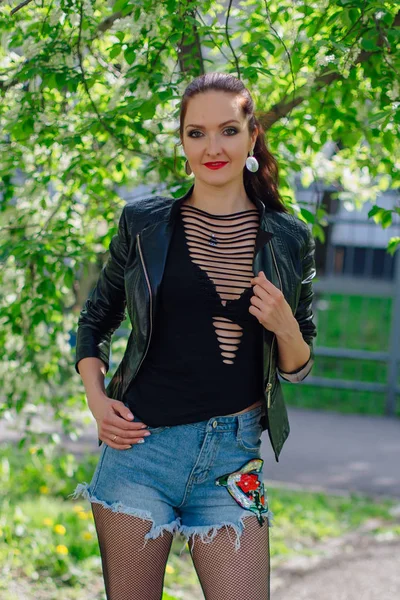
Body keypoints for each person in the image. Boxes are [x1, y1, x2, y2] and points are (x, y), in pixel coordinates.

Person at [69, 72, 317, 600]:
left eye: (228, 130)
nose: (213, 147)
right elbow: (95, 321)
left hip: (232, 459)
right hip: (140, 452)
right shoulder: (144, 224)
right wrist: (96, 399)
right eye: (196, 133)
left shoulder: (289, 238)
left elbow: (298, 364)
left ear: (252, 137)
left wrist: (285, 324)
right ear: (182, 142)